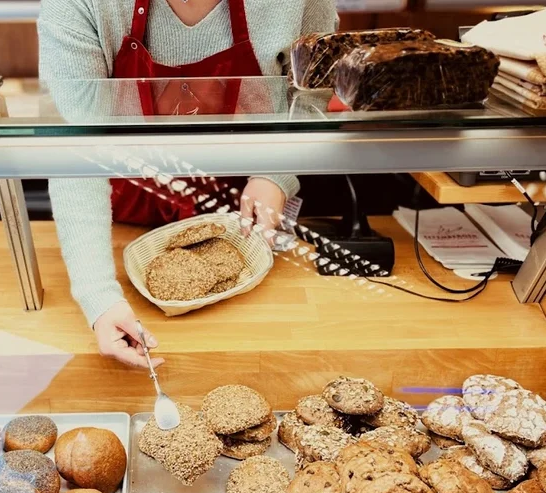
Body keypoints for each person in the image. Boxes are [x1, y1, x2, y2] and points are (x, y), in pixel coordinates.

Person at [38, 0, 337, 369]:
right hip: (119, 219)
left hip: (244, 221)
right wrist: (98, 296)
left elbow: (309, 98)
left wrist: (275, 174)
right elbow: (77, 146)